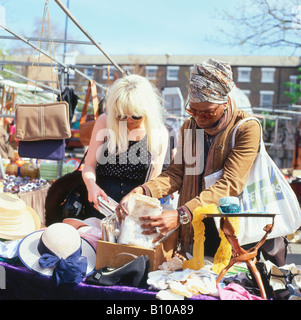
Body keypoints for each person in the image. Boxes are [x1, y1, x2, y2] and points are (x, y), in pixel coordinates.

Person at [117, 58, 288, 264]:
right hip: (195, 231)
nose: (199, 118)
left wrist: (180, 215)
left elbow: (230, 184)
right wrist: (143, 191)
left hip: (232, 234)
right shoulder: (190, 128)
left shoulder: (246, 128)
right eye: (193, 111)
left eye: (207, 112)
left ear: (224, 103)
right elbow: (176, 174)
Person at [82, 74, 168, 207]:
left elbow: (153, 180)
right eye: (121, 115)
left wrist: (138, 199)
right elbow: (88, 165)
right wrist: (91, 186)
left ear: (147, 112)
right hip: (101, 204)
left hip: (137, 207)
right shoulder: (105, 121)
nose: (129, 120)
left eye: (136, 116)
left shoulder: (159, 132)